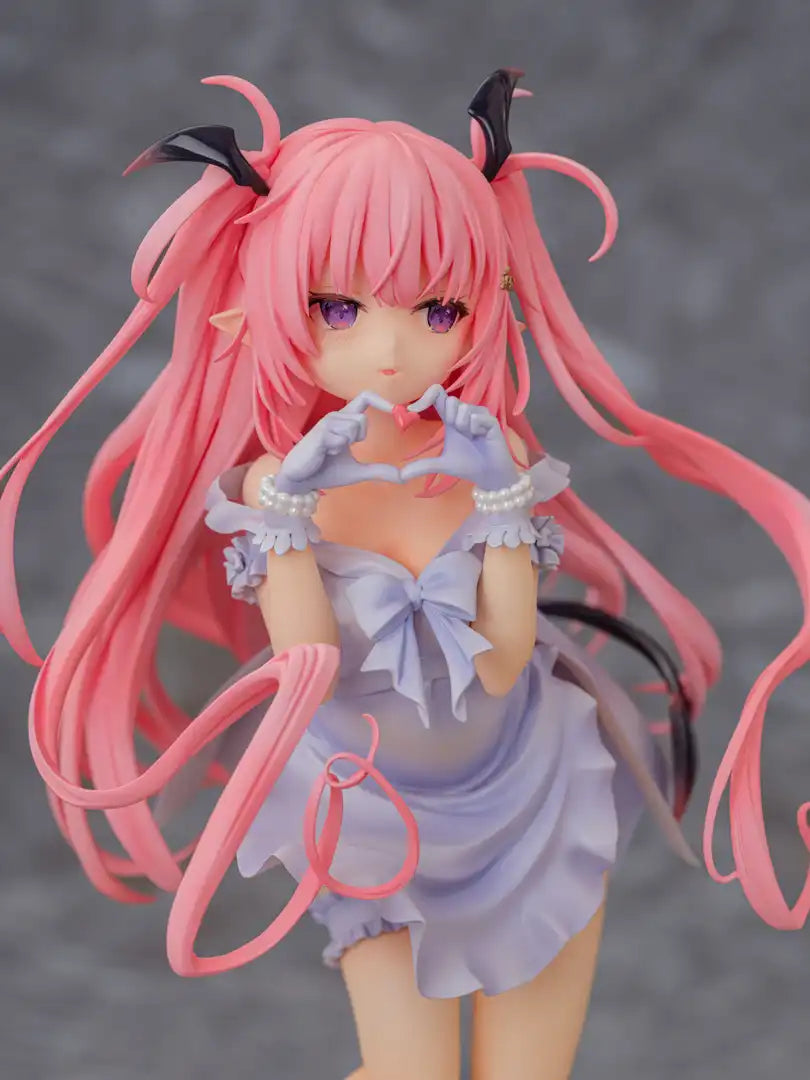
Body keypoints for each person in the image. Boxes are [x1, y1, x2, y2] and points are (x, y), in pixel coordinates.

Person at [2, 69, 809, 1080]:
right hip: (371, 810)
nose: (388, 348)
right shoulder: (278, 483)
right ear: (260, 302)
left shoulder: (489, 457)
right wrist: (287, 512)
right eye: (338, 308)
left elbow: (505, 661)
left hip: (528, 791)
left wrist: (502, 499)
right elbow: (303, 667)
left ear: (486, 307)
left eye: (437, 309)